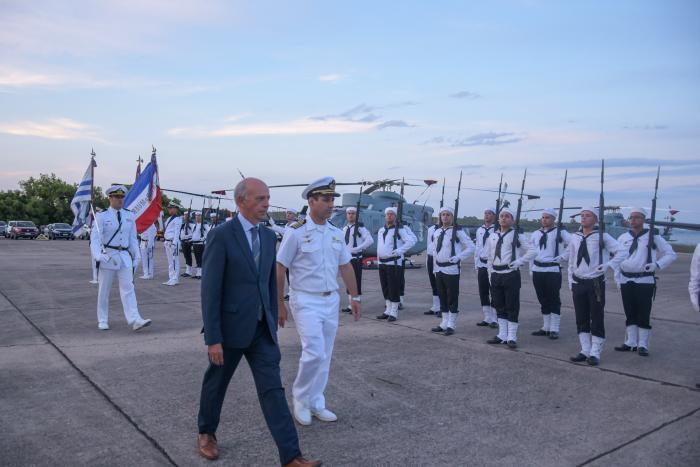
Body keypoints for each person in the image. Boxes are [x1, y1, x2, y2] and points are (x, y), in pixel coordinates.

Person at [197, 177, 321, 467]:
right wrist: (213, 337)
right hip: (229, 330)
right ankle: (206, 432)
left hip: (261, 330)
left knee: (273, 391)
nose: (267, 204)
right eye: (260, 199)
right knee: (216, 384)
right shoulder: (222, 235)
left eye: (267, 198)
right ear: (241, 201)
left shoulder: (268, 237)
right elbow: (210, 290)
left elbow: (266, 280)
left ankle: (291, 456)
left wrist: (276, 306)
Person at [276, 176, 361, 427]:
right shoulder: (297, 231)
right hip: (305, 299)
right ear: (311, 201)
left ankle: (316, 401)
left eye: (332, 199)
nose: (331, 204)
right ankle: (300, 399)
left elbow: (345, 265)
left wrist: (354, 296)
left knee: (325, 354)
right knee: (313, 351)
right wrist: (279, 302)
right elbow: (280, 267)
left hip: (330, 300)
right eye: (325, 199)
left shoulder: (335, 232)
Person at [613, 208, 677, 356]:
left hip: (644, 279)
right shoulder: (623, 237)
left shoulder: (652, 237)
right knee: (629, 312)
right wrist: (617, 279)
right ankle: (630, 342)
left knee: (643, 313)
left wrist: (657, 265)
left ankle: (642, 344)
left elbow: (671, 254)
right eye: (631, 217)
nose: (633, 220)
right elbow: (617, 259)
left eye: (637, 217)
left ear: (644, 220)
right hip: (625, 278)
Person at [567, 206, 626, 366]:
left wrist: (609, 264)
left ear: (596, 219)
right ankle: (585, 349)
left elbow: (622, 252)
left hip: (595, 283)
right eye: (582, 215)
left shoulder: (603, 236)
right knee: (581, 317)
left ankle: (595, 352)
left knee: (597, 317)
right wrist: (570, 280)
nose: (583, 218)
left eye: (587, 216)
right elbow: (571, 260)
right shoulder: (575, 237)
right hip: (578, 281)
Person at [90, 185, 151, 331]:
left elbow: (132, 238)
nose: (120, 200)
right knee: (104, 290)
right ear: (110, 198)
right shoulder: (102, 216)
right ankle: (102, 319)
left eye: (122, 197)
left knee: (128, 288)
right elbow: (95, 239)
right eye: (116, 197)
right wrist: (98, 255)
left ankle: (135, 319)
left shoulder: (129, 215)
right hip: (109, 255)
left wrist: (136, 255)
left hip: (124, 256)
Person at [524, 208, 571, 339]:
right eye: (543, 217)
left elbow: (574, 244)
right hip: (538, 270)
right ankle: (546, 327)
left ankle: (554, 328)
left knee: (554, 299)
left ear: (554, 219)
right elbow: (531, 252)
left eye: (548, 217)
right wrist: (531, 269)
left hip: (552, 270)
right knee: (542, 299)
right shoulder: (535, 234)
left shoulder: (561, 232)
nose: (544, 220)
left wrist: (563, 257)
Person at [485, 208, 527, 348]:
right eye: (502, 216)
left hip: (510, 274)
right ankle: (502, 334)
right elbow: (490, 257)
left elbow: (533, 250)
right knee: (499, 305)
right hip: (496, 274)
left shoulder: (517, 234)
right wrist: (490, 275)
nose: (504, 218)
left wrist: (519, 261)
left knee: (512, 306)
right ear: (498, 219)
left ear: (512, 220)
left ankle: (512, 336)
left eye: (507, 216)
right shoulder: (493, 236)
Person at [429, 207, 474, 335]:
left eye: (448, 215)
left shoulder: (458, 232)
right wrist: (434, 268)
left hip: (451, 268)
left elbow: (471, 247)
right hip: (439, 268)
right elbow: (434, 251)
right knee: (442, 295)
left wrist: (459, 257)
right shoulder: (437, 232)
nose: (445, 217)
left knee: (452, 297)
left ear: (452, 217)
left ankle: (451, 324)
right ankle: (444, 323)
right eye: (443, 215)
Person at [375, 207, 416, 321]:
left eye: (392, 214)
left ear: (395, 216)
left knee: (393, 288)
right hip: (382, 262)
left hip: (393, 262)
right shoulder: (381, 230)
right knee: (385, 287)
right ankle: (387, 310)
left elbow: (411, 241)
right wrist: (378, 260)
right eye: (387, 214)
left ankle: (394, 312)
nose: (389, 216)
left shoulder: (400, 229)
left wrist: (400, 251)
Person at [340, 206, 373, 313]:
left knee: (356, 282)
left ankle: (356, 305)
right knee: (348, 282)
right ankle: (350, 305)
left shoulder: (360, 228)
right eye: (349, 213)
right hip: (346, 259)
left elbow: (370, 241)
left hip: (356, 259)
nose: (350, 215)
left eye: (353, 213)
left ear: (356, 215)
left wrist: (358, 248)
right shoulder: (344, 229)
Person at [474, 208, 497, 327]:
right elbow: (477, 247)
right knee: (483, 291)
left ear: (494, 216)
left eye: (489, 214)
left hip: (492, 265)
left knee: (494, 291)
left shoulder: (497, 230)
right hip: (481, 264)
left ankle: (495, 317)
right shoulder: (480, 230)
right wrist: (476, 264)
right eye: (485, 213)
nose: (487, 215)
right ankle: (487, 317)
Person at [163, 202, 182, 286]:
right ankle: (171, 278)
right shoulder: (169, 218)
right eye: (169, 208)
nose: (169, 209)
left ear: (176, 209)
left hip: (173, 242)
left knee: (175, 261)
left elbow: (177, 232)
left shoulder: (178, 219)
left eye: (171, 208)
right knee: (170, 262)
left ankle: (175, 279)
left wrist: (174, 243)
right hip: (168, 242)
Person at [424, 221, 441, 316]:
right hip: (430, 257)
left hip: (439, 258)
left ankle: (443, 307)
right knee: (433, 283)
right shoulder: (431, 229)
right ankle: (435, 306)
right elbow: (428, 245)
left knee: (441, 284)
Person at [190, 212, 210, 280]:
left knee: (201, 259)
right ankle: (198, 273)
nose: (197, 217)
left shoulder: (204, 225)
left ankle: (202, 273)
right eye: (196, 216)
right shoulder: (195, 225)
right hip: (195, 244)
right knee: (197, 259)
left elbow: (210, 232)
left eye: (199, 216)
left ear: (202, 217)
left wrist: (204, 238)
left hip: (201, 244)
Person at [180, 211, 195, 277]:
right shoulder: (183, 224)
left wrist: (188, 238)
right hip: (183, 242)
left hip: (189, 242)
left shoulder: (192, 225)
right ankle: (187, 271)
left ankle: (189, 271)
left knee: (188, 256)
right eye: (184, 215)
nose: (185, 216)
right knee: (186, 256)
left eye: (187, 215)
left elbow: (193, 234)